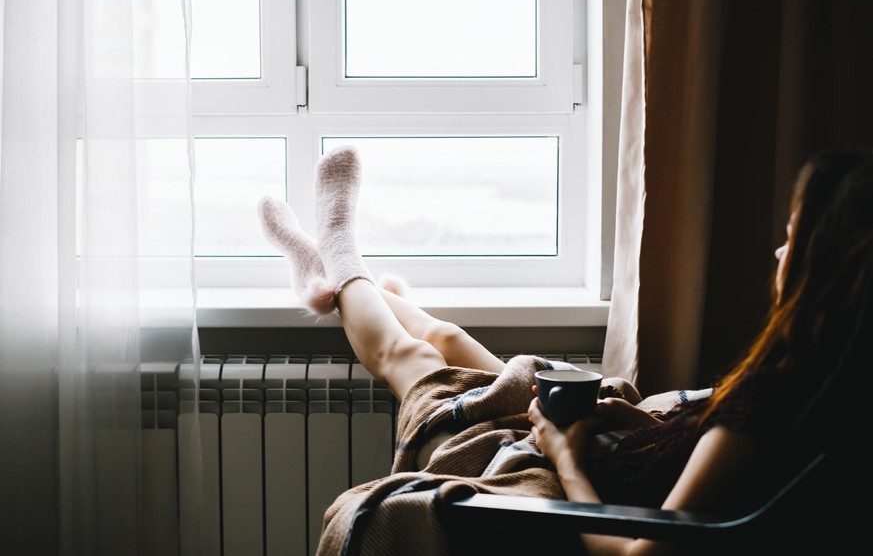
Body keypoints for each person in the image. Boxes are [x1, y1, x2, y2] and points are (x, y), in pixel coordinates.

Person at [257, 146, 872, 556]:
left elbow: (639, 550)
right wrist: (633, 421)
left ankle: (337, 257)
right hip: (606, 458)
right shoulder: (824, 391)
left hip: (573, 489)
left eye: (790, 240)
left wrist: (564, 453)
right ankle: (331, 273)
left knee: (411, 361)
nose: (776, 254)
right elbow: (705, 462)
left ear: (822, 267)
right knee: (446, 341)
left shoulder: (768, 407)